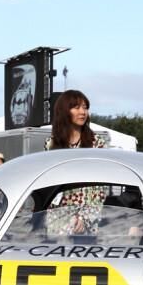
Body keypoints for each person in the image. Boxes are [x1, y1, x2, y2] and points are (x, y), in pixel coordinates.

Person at [44, 89, 107, 237]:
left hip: (86, 220)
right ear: (65, 111)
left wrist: (84, 218)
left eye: (85, 107)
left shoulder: (96, 143)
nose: (82, 112)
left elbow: (100, 188)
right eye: (77, 107)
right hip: (57, 220)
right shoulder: (51, 144)